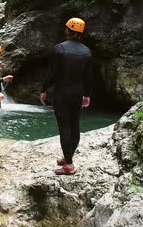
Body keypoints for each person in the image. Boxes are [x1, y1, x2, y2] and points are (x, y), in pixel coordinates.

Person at [40, 18, 92, 175]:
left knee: (65, 127)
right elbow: (89, 77)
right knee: (75, 126)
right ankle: (68, 156)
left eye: (66, 28)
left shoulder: (59, 49)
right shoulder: (87, 52)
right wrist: (87, 95)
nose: (64, 30)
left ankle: (68, 165)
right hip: (77, 93)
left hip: (62, 93)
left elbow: (53, 73)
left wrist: (44, 89)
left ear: (69, 31)